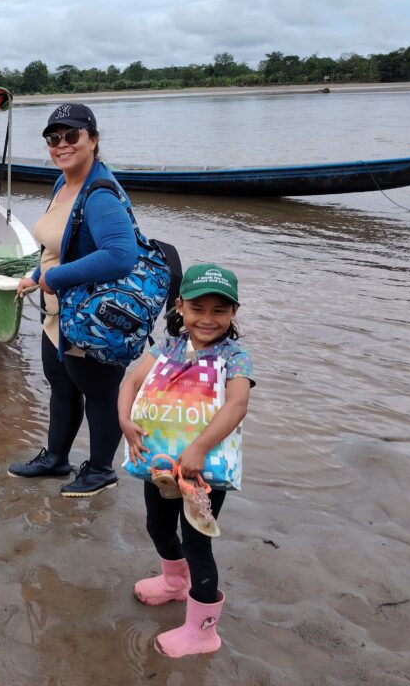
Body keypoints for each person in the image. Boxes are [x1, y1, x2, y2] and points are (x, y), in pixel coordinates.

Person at [117, 263, 254, 657]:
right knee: (157, 526)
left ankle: (203, 632)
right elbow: (131, 380)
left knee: (197, 544)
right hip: (159, 465)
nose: (207, 319)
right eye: (198, 308)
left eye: (219, 311)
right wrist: (125, 420)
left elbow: (238, 404)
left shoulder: (236, 356)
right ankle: (174, 583)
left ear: (233, 313)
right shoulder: (169, 346)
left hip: (201, 473)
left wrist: (198, 449)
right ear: (180, 307)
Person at [7, 103, 138, 497]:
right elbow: (59, 245)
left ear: (93, 140)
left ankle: (100, 471)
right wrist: (35, 276)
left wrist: (55, 277)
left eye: (71, 136)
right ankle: (56, 459)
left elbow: (121, 254)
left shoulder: (99, 194)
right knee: (61, 388)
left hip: (91, 320)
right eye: (53, 138)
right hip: (58, 315)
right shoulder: (64, 184)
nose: (61, 145)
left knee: (99, 394)